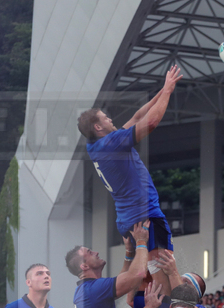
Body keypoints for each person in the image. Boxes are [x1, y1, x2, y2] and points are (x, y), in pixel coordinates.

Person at [77, 65, 183, 296]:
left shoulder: (95, 144)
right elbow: (150, 122)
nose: (111, 118)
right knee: (163, 272)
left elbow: (137, 116)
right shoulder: (111, 143)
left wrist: (165, 88)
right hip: (143, 216)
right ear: (98, 127)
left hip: (129, 218)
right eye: (106, 118)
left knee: (154, 273)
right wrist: (166, 93)